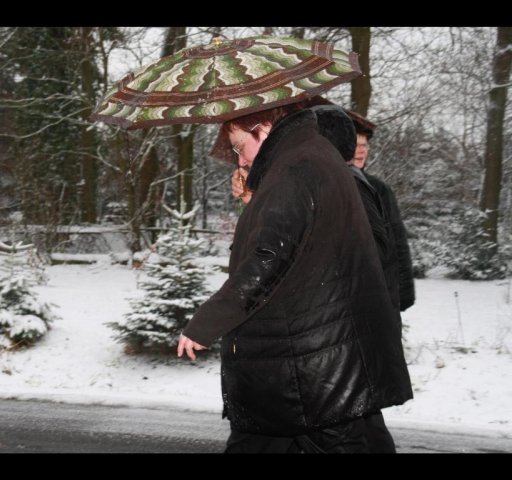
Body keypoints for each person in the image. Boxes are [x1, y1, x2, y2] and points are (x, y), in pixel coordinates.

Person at [177, 102, 413, 453]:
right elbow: (301, 242)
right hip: (308, 357)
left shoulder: (295, 168)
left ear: (263, 129)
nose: (240, 158)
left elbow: (268, 259)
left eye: (240, 146)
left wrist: (205, 323)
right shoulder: (307, 158)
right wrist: (258, 198)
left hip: (309, 361)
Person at [347, 111, 415, 312]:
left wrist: (403, 292)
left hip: (379, 291)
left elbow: (397, 240)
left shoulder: (378, 188)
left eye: (365, 145)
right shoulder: (331, 184)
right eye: (356, 145)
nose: (362, 151)